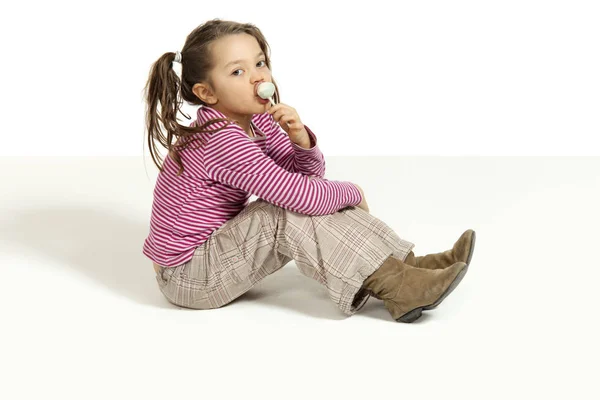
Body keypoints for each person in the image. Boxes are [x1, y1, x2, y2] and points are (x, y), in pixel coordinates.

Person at [142, 18, 476, 322]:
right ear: (206, 93)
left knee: (303, 199)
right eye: (237, 72)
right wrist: (353, 192)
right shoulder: (220, 139)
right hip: (188, 275)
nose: (258, 76)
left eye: (260, 62)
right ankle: (398, 285)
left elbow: (308, 181)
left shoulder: (260, 121)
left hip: (213, 254)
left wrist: (301, 141)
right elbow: (301, 197)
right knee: (282, 211)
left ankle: (406, 265)